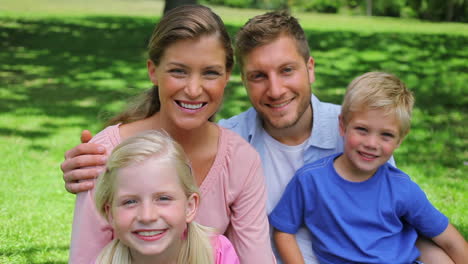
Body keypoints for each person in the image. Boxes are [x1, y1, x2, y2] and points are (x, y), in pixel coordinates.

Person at [61, 10, 455, 263]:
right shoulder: (236, 143)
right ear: (244, 82)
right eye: (259, 76)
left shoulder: (359, 133)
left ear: (310, 68)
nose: (276, 89)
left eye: (287, 70)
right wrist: (98, 158)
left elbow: (401, 218)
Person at [67, 5, 274, 264]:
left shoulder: (241, 160)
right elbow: (86, 258)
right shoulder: (104, 154)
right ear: (153, 71)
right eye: (178, 71)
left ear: (227, 76)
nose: (193, 89)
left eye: (210, 73)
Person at [269, 72, 468, 263]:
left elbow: (449, 239)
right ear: (342, 125)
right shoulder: (310, 180)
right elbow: (284, 231)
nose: (372, 143)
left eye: (386, 135)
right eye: (362, 130)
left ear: (400, 139)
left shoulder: (402, 188)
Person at [93, 130, 240, 263]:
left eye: (163, 199)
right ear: (110, 213)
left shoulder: (217, 254)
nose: (147, 216)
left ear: (190, 206)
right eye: (130, 201)